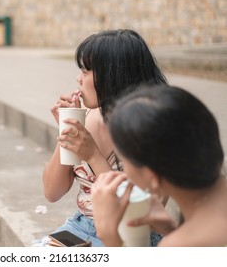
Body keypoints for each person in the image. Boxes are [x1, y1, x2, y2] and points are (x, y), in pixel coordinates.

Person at [37, 29, 168, 247]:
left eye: (86, 71)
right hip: (83, 227)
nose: (78, 79)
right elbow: (52, 192)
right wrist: (67, 129)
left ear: (113, 76)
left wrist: (93, 156)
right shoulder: (88, 117)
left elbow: (143, 216)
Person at [91, 85, 227, 246]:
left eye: (123, 161)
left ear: (152, 176)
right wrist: (175, 230)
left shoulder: (179, 246)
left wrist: (109, 235)